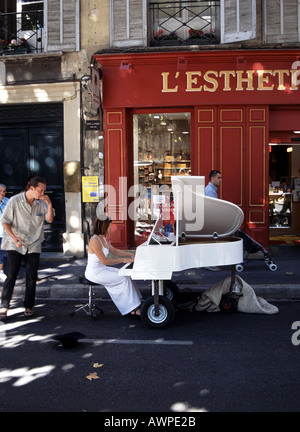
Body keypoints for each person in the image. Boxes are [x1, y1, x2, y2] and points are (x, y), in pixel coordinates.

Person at [0, 176, 54, 319]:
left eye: (44, 191)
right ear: (32, 188)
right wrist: (14, 238)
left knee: (31, 276)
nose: (43, 193)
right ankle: (4, 306)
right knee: (11, 275)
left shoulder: (41, 202)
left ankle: (29, 306)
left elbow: (49, 219)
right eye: (41, 190)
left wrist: (49, 204)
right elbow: (5, 222)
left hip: (34, 243)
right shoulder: (14, 201)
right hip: (14, 243)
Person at [85, 216, 142, 316]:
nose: (110, 228)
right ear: (103, 227)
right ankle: (132, 309)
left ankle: (137, 303)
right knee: (123, 279)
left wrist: (128, 254)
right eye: (109, 226)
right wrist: (123, 259)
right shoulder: (95, 241)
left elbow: (114, 250)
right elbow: (105, 261)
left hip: (102, 269)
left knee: (127, 275)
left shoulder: (103, 238)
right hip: (94, 273)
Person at [0, 184, 9, 281]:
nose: (2, 193)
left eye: (4, 191)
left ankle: (1, 271)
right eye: (0, 191)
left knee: (1, 253)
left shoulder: (8, 202)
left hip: (4, 232)